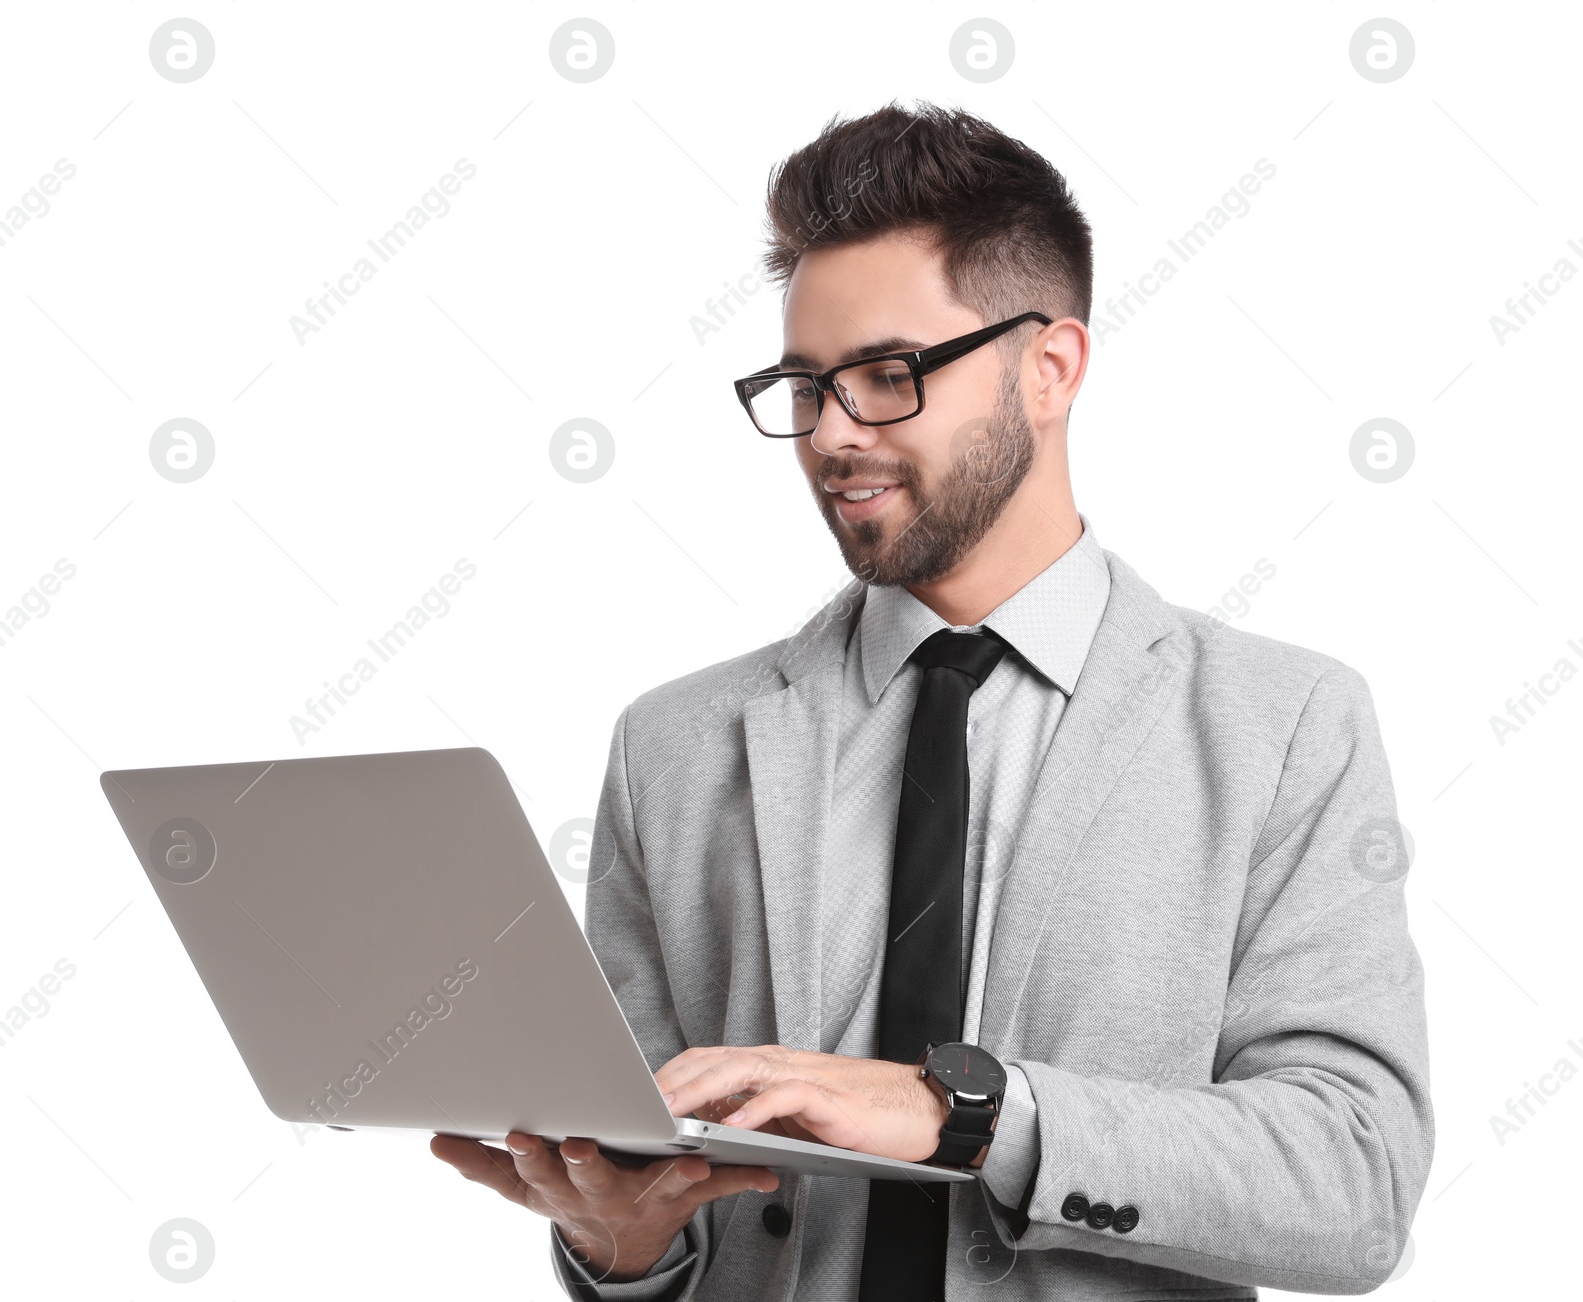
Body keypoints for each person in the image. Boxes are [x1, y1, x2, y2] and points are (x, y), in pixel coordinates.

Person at [431, 100, 1433, 1301]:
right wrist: (622, 1247)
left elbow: (1355, 1182)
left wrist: (967, 1115)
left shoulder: (1284, 726)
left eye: (889, 375)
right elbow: (655, 1182)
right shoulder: (674, 746)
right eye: (805, 385)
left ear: (1050, 367)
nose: (834, 434)